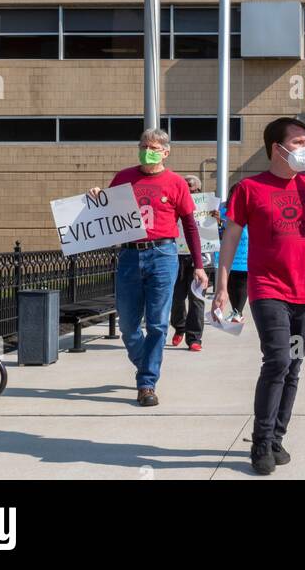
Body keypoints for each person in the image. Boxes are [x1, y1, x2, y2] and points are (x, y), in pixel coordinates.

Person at [213, 117, 305, 475]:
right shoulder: (249, 188)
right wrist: (222, 284)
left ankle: (277, 437)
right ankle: (260, 442)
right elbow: (230, 236)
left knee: (294, 365)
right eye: (298, 141)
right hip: (269, 291)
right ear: (277, 148)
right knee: (277, 360)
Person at [88, 128, 207, 407]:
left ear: (165, 152)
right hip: (130, 256)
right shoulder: (124, 178)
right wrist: (97, 195)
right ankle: (146, 364)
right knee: (128, 326)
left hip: (163, 254)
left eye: (153, 147)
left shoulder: (176, 183)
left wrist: (199, 265)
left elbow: (190, 226)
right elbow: (107, 211)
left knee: (156, 323)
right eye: (143, 145)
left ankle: (147, 383)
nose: (146, 150)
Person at [170, 174, 212, 352]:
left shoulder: (207, 206)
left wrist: (216, 220)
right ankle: (180, 326)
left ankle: (194, 338)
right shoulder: (174, 202)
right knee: (176, 298)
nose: (189, 191)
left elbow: (219, 232)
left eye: (193, 189)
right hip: (177, 255)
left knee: (197, 299)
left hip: (201, 258)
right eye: (186, 188)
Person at [219, 189, 248, 321]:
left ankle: (239, 311)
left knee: (241, 283)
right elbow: (220, 228)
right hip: (229, 251)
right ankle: (235, 310)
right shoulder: (223, 209)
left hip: (244, 250)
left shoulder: (247, 208)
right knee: (230, 284)